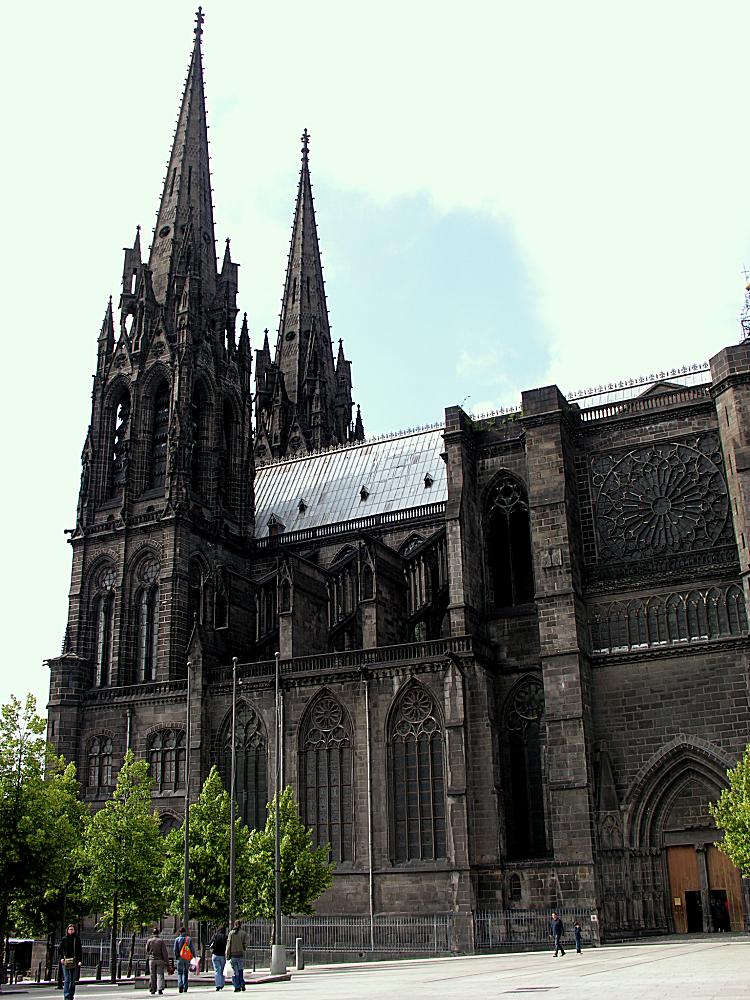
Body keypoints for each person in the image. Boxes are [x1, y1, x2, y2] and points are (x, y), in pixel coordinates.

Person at [59, 924, 82, 1000]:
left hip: (74, 961)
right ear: (67, 930)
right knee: (67, 979)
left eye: (72, 929)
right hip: (65, 961)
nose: (71, 931)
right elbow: (60, 950)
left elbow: (79, 950)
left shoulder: (77, 939)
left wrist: (79, 960)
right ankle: (67, 996)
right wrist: (61, 958)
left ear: (74, 930)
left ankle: (71, 995)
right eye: (69, 929)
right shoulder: (64, 939)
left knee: (72, 981)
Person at [146, 927, 170, 995]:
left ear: (153, 933)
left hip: (152, 960)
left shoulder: (149, 941)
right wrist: (167, 962)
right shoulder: (161, 941)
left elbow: (147, 950)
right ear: (158, 933)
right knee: (160, 975)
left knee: (152, 975)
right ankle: (160, 989)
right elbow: (164, 952)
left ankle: (152, 989)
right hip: (160, 960)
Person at [225, 920, 247, 992]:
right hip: (240, 954)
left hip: (233, 955)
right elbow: (245, 944)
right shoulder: (243, 933)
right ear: (241, 925)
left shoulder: (231, 933)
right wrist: (243, 948)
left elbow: (228, 945)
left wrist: (227, 955)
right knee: (240, 970)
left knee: (235, 972)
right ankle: (242, 984)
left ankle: (237, 986)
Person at [173, 927, 195, 994]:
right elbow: (192, 948)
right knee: (185, 972)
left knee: (179, 972)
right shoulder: (189, 939)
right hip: (187, 958)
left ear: (180, 932)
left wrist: (176, 956)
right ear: (185, 932)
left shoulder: (177, 939)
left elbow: (175, 949)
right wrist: (193, 956)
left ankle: (180, 985)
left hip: (180, 957)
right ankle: (185, 987)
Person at [209, 926, 228, 991]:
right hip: (222, 955)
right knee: (222, 970)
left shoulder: (215, 936)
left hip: (215, 955)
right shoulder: (225, 937)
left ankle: (218, 985)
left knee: (217, 971)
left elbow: (210, 944)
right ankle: (222, 984)